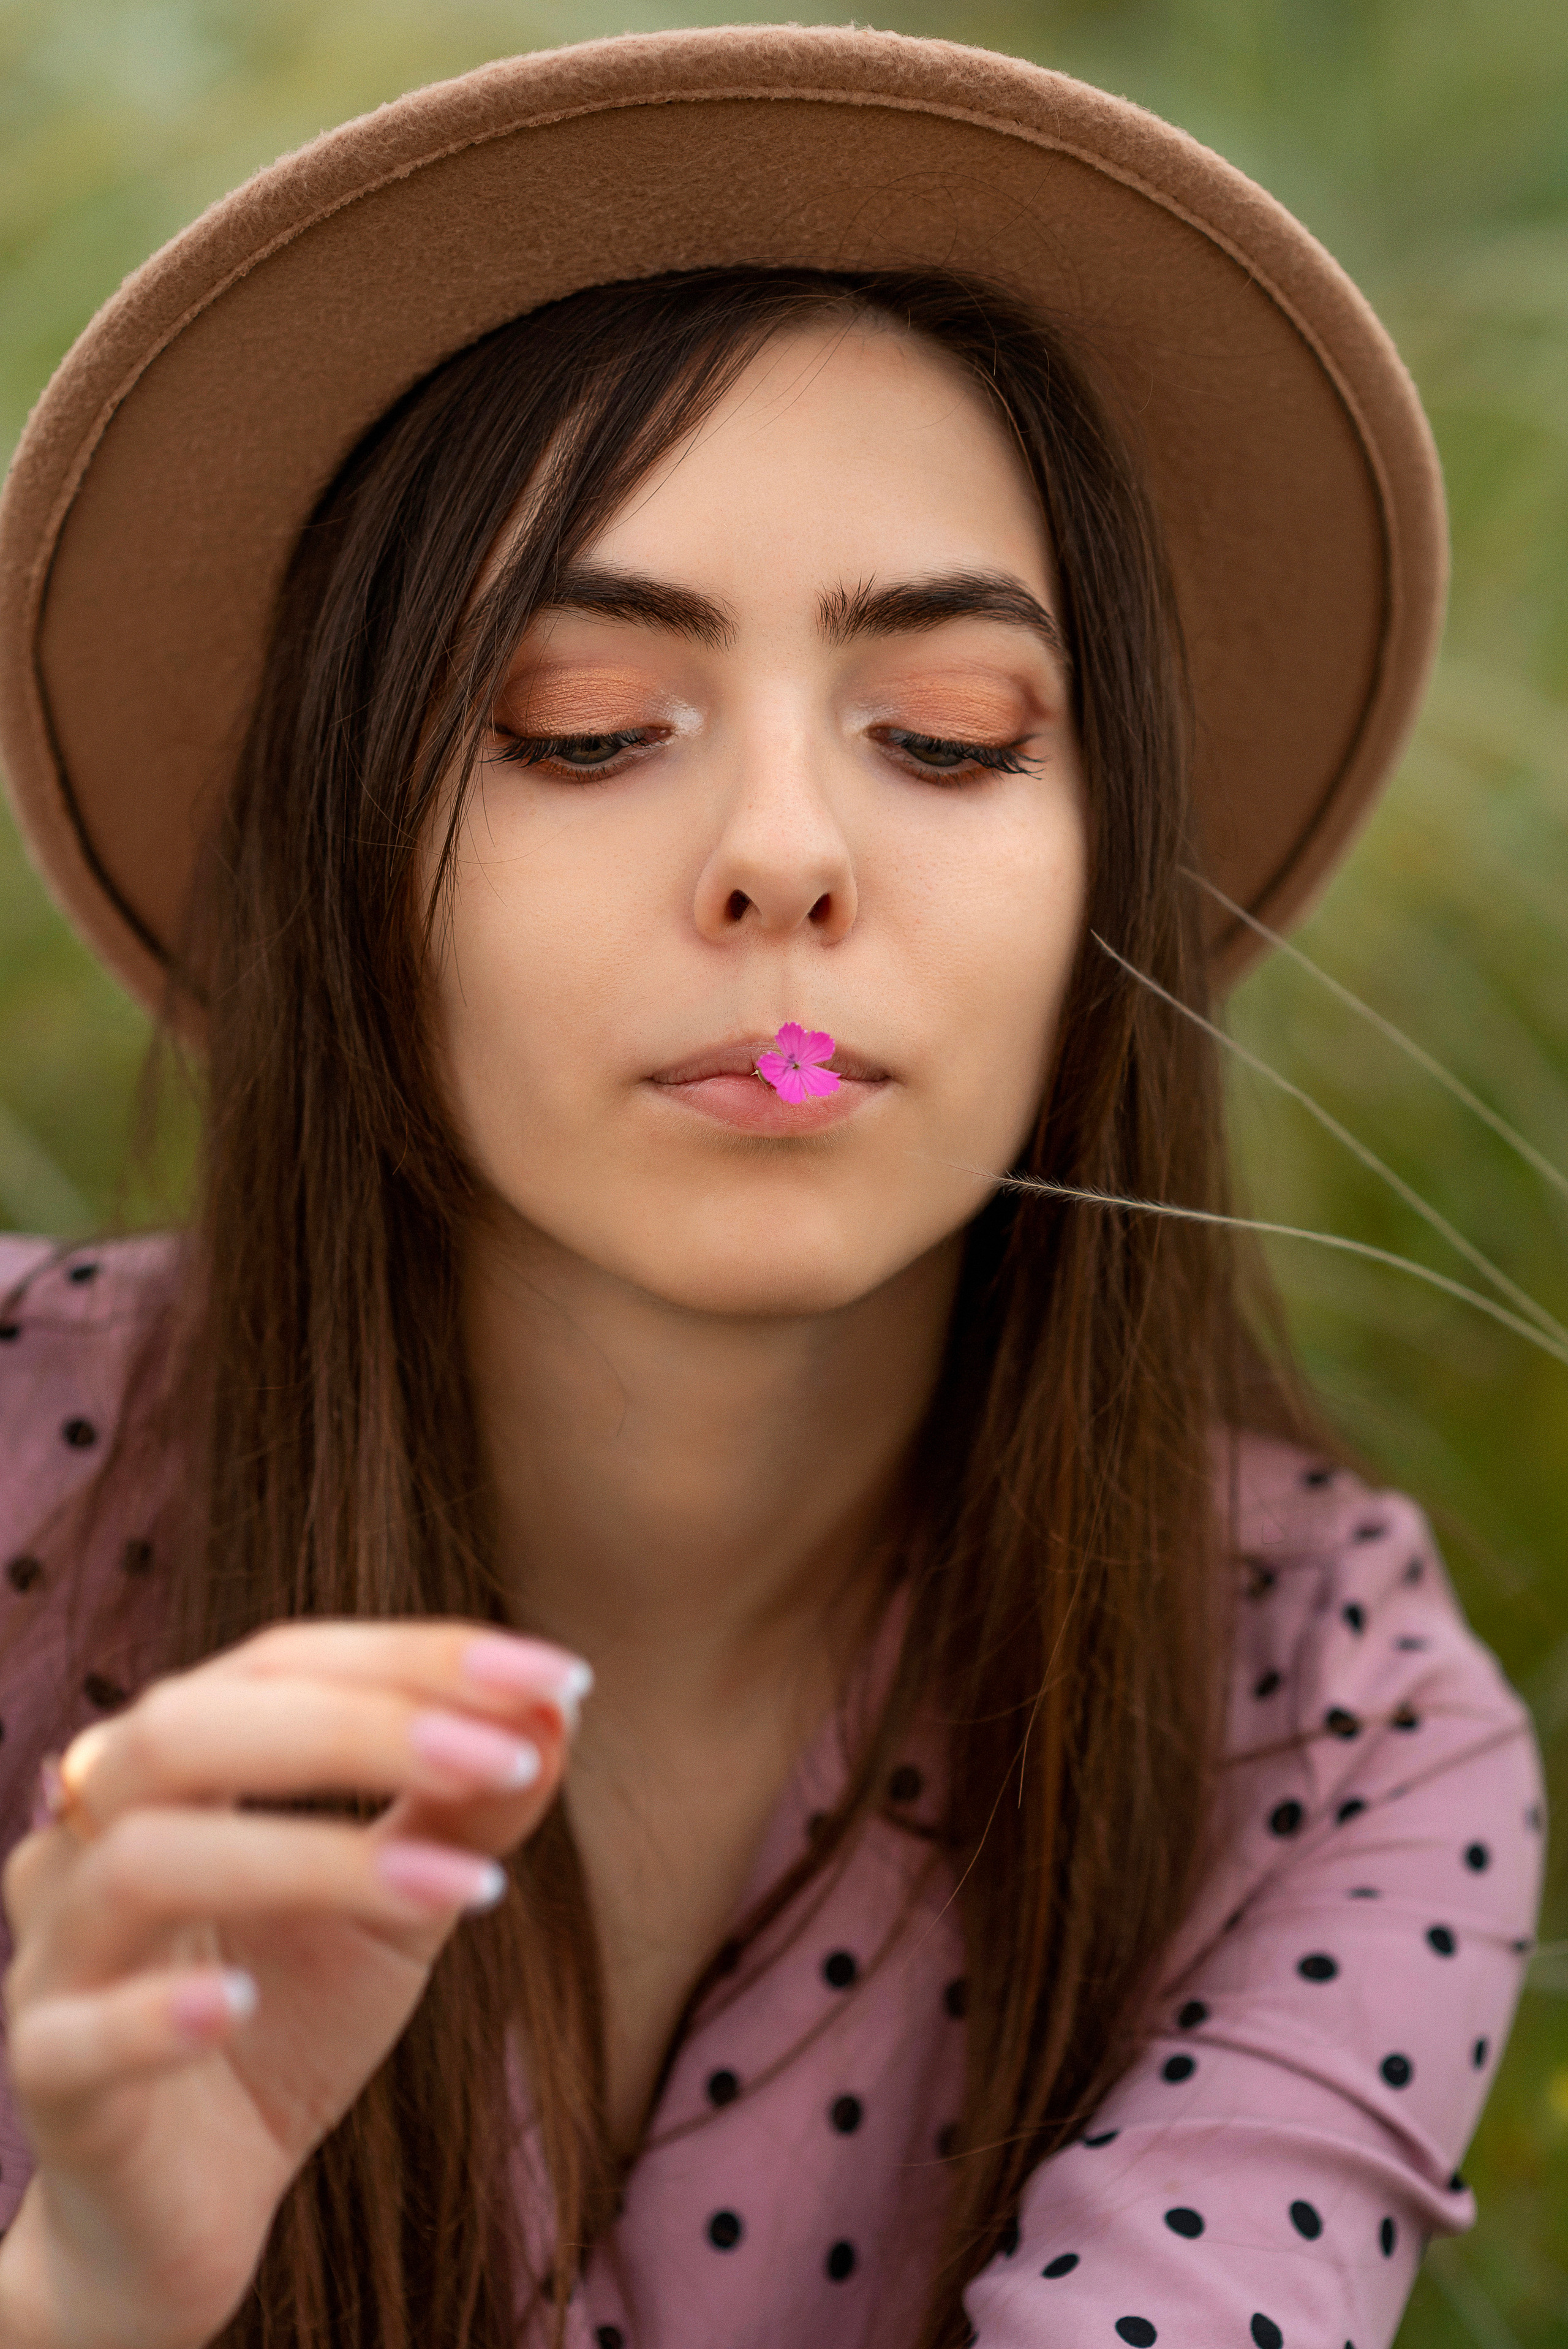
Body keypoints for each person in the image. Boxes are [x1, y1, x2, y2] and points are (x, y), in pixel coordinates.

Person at [0, 25, 1543, 2349]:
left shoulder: (1325, 1711)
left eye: (952, 735)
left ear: (1104, 855)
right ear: (342, 859)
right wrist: (93, 2289)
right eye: (585, 726)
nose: (790, 862)